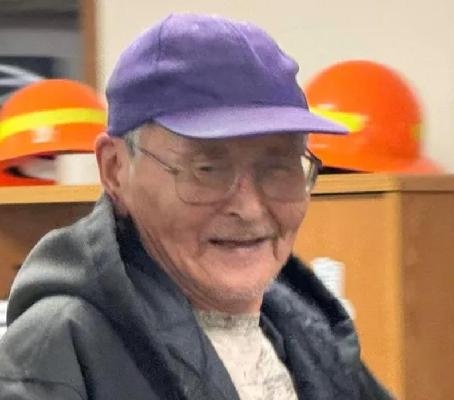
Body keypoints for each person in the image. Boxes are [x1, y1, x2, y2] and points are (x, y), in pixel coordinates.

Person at [0, 13, 393, 400]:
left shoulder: (311, 336)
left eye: (278, 168)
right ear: (115, 169)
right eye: (208, 169)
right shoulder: (56, 358)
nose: (250, 209)